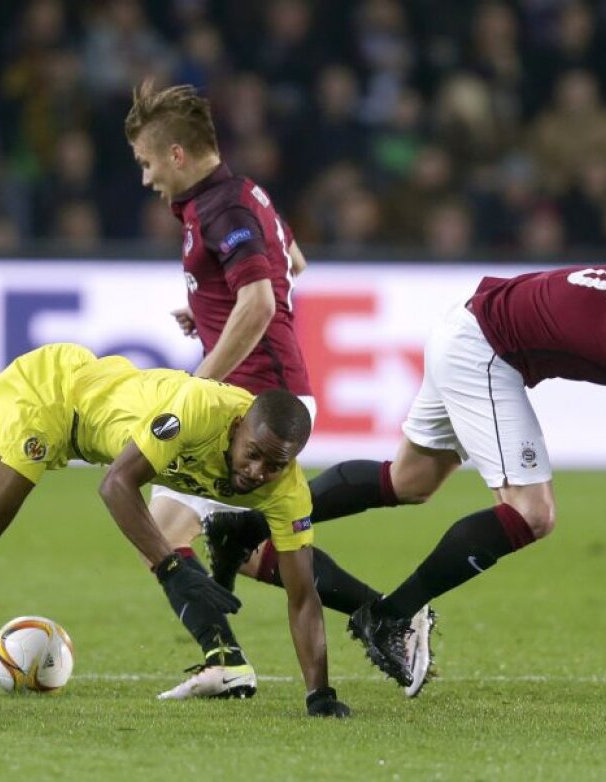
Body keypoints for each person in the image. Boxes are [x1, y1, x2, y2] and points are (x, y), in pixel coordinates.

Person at [0, 226, 351, 719]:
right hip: (52, 400)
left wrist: (319, 693)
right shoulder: (198, 411)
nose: (255, 473)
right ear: (241, 421)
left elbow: (302, 595)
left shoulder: (284, 486)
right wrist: (173, 568)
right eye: (253, 453)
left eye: (274, 465)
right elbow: (117, 485)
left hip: (73, 409)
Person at [211, 265, 606, 688]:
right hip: (488, 353)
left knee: (410, 480)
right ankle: (387, 616)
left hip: (468, 322)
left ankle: (242, 526)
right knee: (534, 512)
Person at [124, 80, 435, 700]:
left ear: (179, 155)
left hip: (257, 403)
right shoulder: (243, 196)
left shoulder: (224, 210)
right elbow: (291, 262)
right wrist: (210, 312)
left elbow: (262, 298)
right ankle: (383, 616)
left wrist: (202, 377)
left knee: (160, 527)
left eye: (148, 162)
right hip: (265, 392)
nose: (145, 178)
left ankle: (233, 658)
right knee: (225, 542)